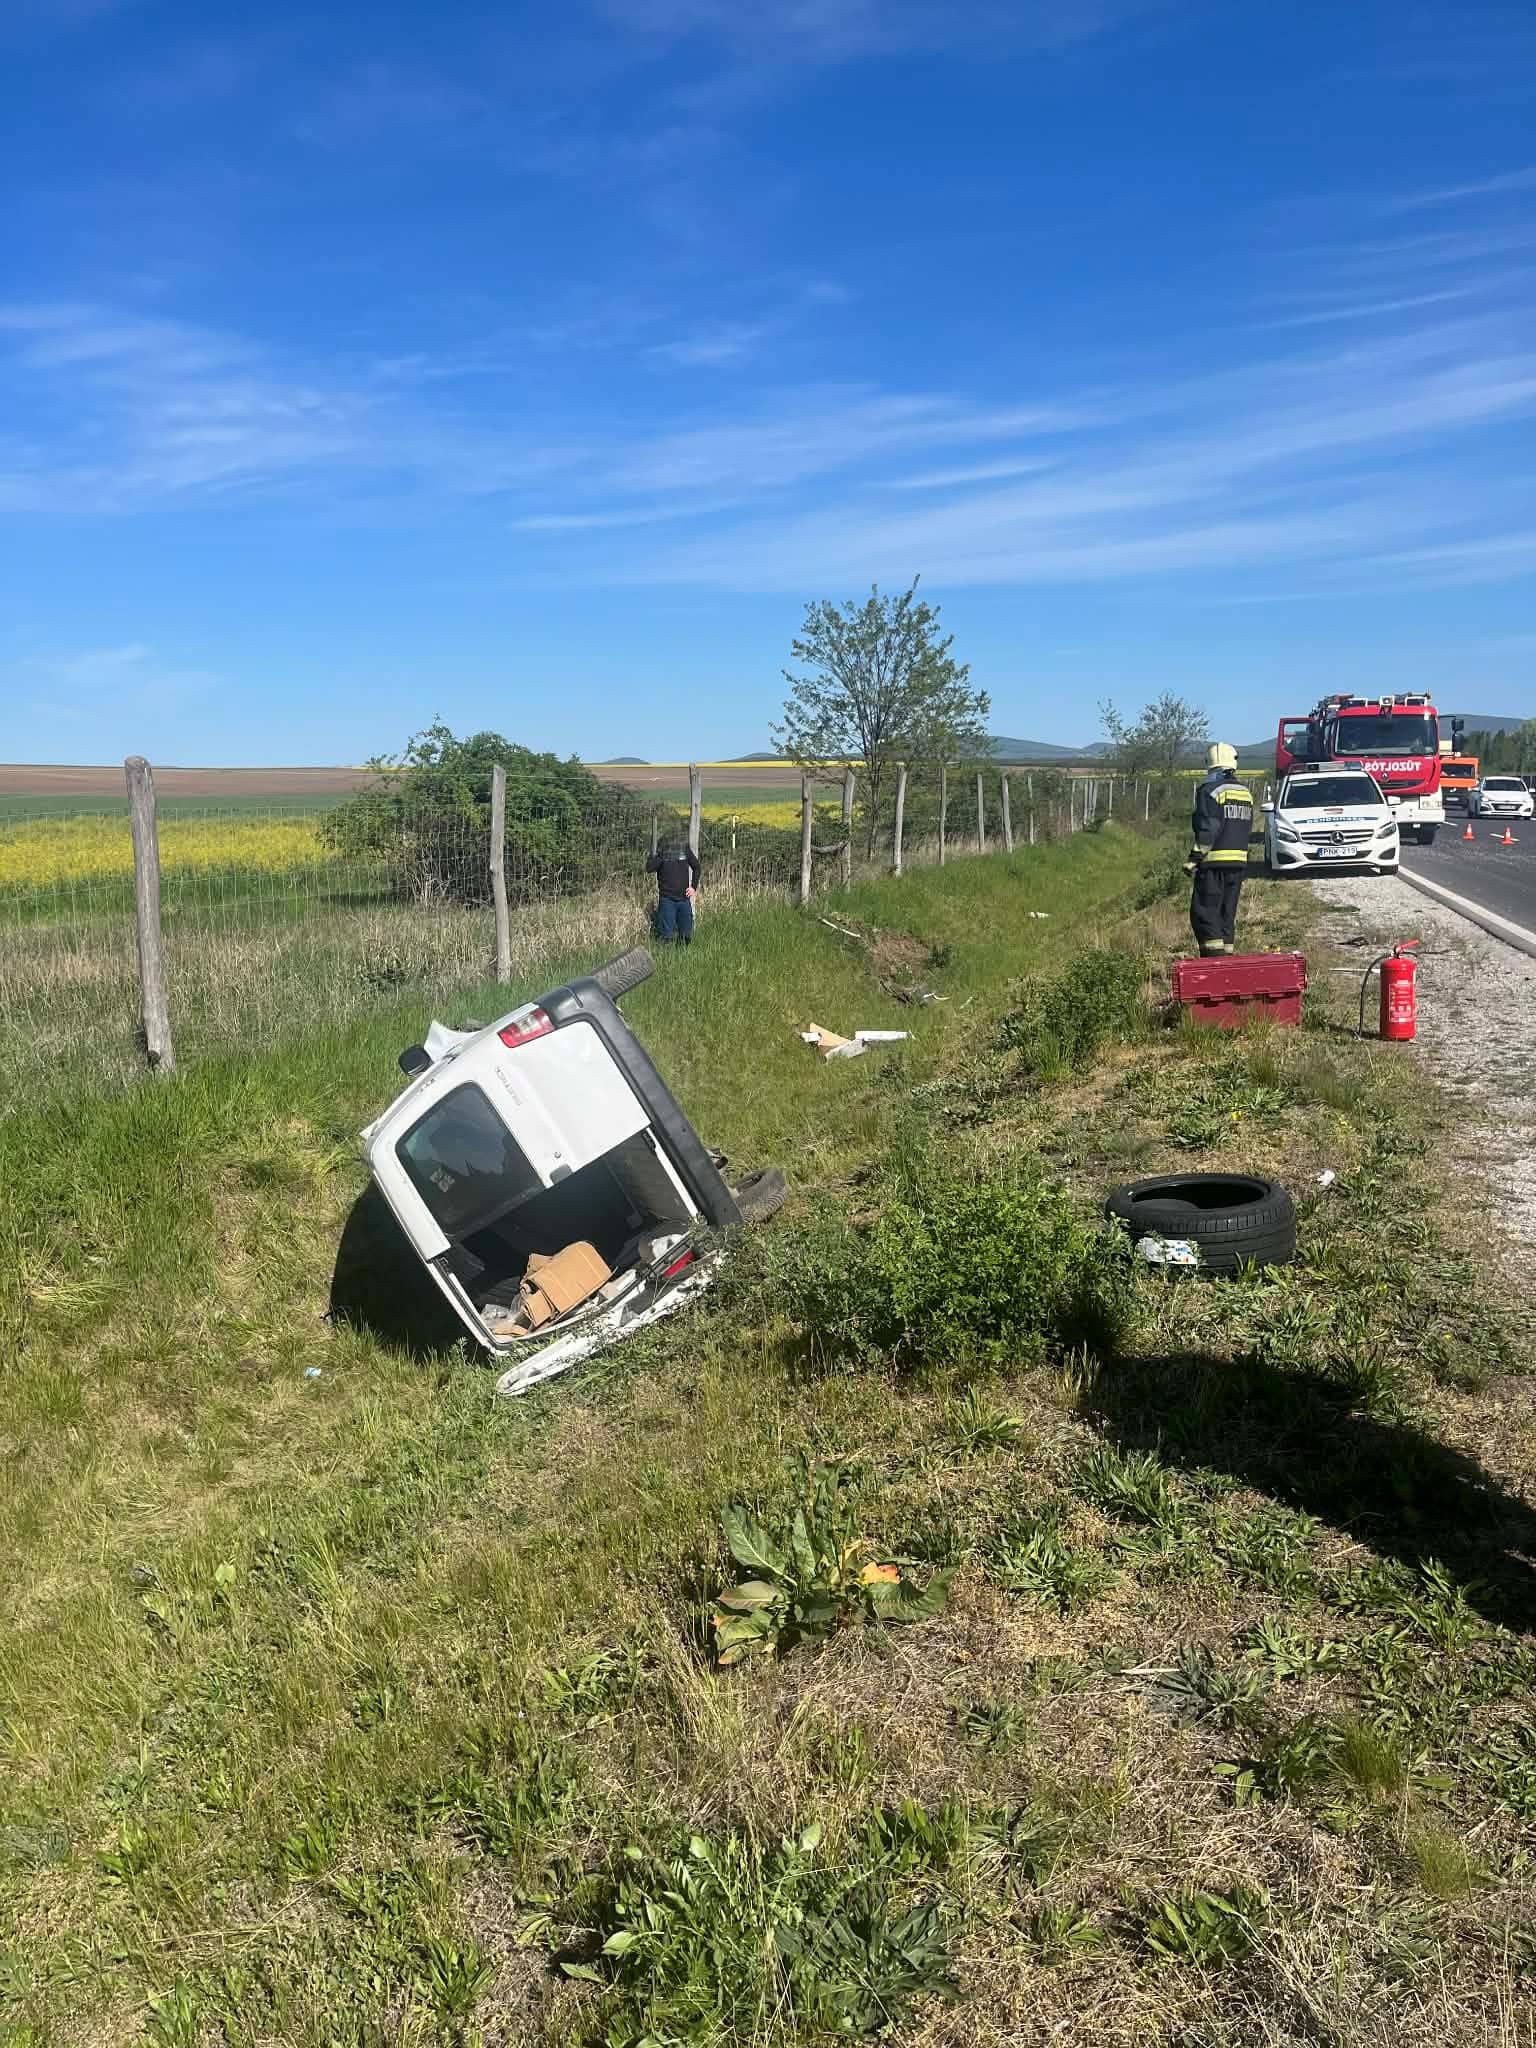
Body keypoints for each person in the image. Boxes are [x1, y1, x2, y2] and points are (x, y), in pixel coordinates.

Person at [1187, 742, 1253, 956]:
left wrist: (1195, 858)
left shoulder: (1209, 791)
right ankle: (1228, 961)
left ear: (1210, 764)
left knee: (1205, 913)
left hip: (1214, 863)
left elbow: (1209, 827)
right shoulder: (1245, 793)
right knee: (1226, 915)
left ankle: (1213, 963)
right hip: (1238, 864)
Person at [646, 838, 699, 944]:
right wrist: (659, 855)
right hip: (667, 900)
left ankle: (684, 957)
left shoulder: (684, 848)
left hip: (684, 900)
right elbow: (649, 868)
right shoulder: (662, 850)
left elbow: (696, 867)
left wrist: (693, 887)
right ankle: (666, 957)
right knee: (666, 937)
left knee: (686, 936)